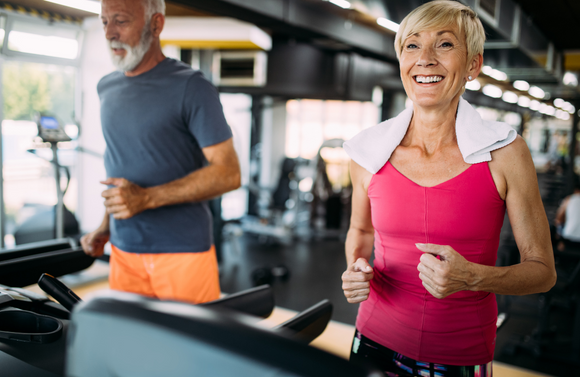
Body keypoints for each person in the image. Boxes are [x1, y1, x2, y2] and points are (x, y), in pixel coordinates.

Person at [341, 1, 556, 376]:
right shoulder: (366, 150)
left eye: (444, 44)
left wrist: (473, 276)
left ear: (473, 64)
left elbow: (542, 272)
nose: (425, 59)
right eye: (412, 45)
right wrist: (356, 268)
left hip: (459, 354)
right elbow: (360, 231)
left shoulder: (505, 153)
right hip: (372, 339)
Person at [80, 0, 241, 305]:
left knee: (188, 350)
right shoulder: (107, 88)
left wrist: (147, 198)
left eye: (121, 21)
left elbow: (229, 173)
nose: (109, 33)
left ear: (156, 24)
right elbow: (120, 170)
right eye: (104, 22)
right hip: (124, 250)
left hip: (182, 254)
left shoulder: (192, 87)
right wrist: (105, 227)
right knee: (134, 349)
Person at [555, 181, 580, 251]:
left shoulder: (569, 199)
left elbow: (559, 219)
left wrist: (559, 238)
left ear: (576, 190)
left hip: (569, 237)